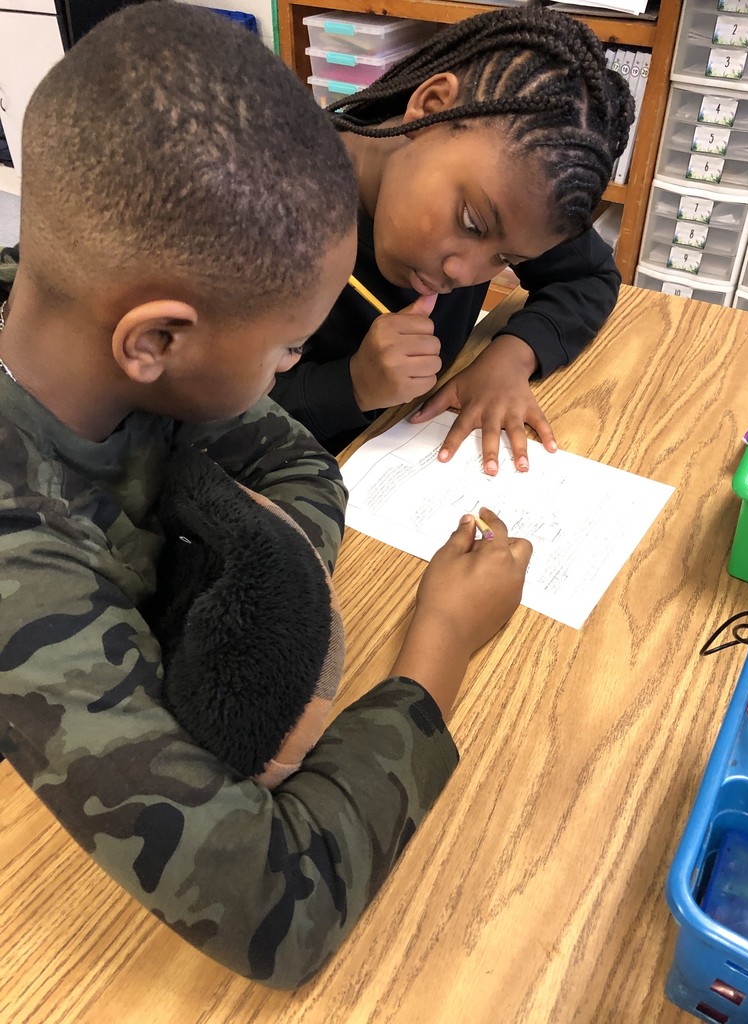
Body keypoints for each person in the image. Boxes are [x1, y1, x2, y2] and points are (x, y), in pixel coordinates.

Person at [0, 1, 532, 990]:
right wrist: (439, 648)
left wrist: (233, 590)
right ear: (157, 339)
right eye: (288, 348)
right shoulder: (22, 574)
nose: (290, 369)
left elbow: (303, 470)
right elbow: (283, 903)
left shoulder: (102, 352)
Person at [270, 4, 634, 475]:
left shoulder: (512, 187)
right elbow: (203, 422)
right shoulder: (266, 216)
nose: (463, 273)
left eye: (504, 258)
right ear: (431, 108)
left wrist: (511, 357)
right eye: (471, 222)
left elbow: (590, 276)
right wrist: (352, 386)